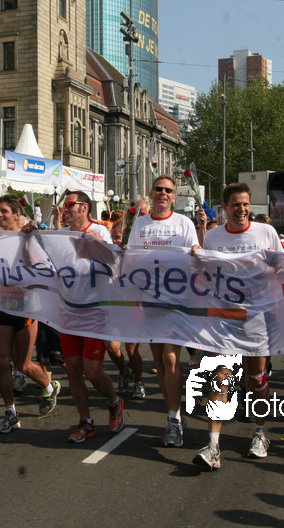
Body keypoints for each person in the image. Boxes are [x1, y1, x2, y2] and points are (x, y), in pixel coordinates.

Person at [194, 182, 283, 471]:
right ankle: (213, 446)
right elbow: (206, 273)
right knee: (220, 375)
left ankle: (260, 433)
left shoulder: (266, 232)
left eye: (245, 204)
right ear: (225, 207)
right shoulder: (214, 236)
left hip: (257, 315)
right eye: (236, 205)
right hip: (224, 315)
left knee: (256, 380)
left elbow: (283, 266)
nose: (241, 209)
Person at [127, 175, 201, 447]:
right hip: (149, 301)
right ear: (151, 192)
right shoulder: (140, 224)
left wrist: (197, 250)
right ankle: (174, 412)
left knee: (170, 358)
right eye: (158, 189)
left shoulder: (184, 223)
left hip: (176, 301)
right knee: (159, 362)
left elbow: (194, 255)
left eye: (168, 190)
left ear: (174, 197)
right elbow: (131, 258)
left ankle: (173, 419)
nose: (163, 193)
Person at [55, 190, 125, 442]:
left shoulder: (100, 231)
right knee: (73, 371)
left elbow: (114, 265)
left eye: (70, 204)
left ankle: (114, 401)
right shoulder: (60, 235)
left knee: (93, 372)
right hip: (68, 312)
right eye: (65, 205)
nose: (65, 208)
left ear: (84, 208)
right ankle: (85, 421)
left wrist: (98, 243)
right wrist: (30, 235)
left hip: (95, 312)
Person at [0, 194, 60, 434]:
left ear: (16, 215)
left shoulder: (27, 237)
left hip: (26, 306)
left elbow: (43, 269)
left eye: (4, 211)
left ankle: (49, 387)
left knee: (23, 364)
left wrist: (29, 238)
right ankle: (11, 413)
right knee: (2, 361)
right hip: (3, 304)